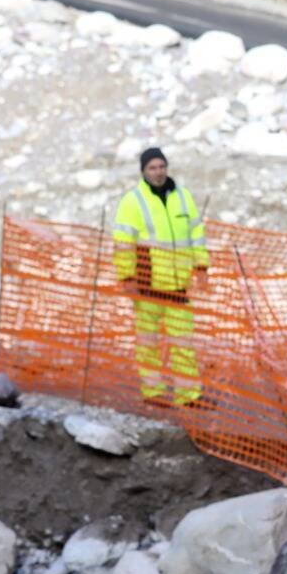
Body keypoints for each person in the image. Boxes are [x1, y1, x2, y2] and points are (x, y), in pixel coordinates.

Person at [111, 147, 208, 407]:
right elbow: (123, 242)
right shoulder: (132, 201)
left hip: (178, 286)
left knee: (182, 343)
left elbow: (196, 234)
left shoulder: (183, 197)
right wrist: (127, 276)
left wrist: (201, 267)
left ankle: (188, 396)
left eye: (161, 166)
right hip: (147, 284)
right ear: (143, 171)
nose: (158, 172)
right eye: (152, 167)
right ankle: (153, 392)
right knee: (148, 342)